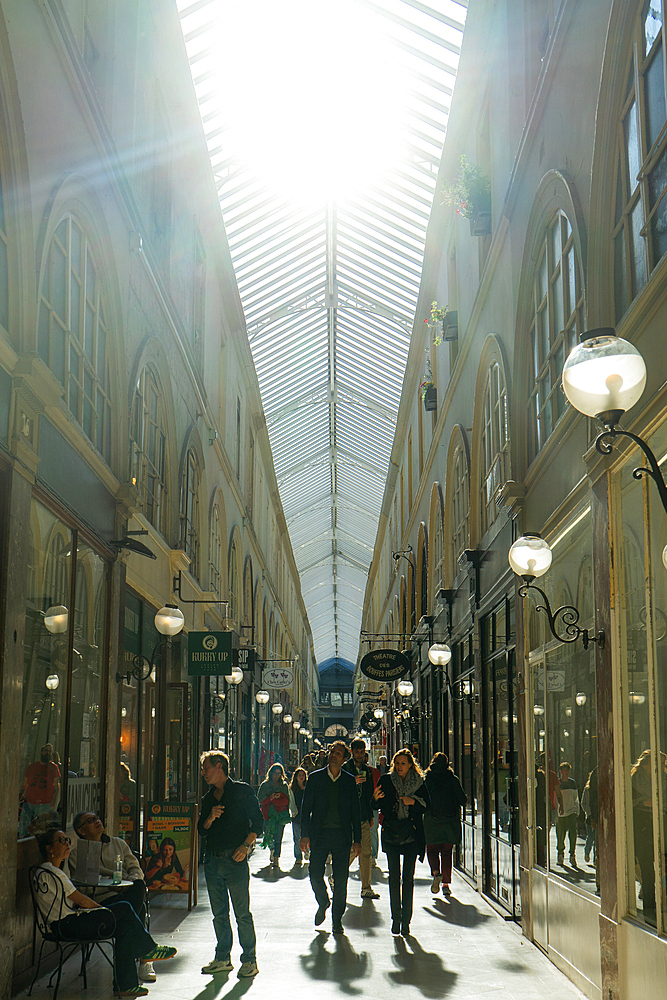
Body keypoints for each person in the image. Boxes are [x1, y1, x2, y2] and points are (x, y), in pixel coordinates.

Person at [36, 826, 176, 998]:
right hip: (66, 925)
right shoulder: (52, 872)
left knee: (124, 926)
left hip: (69, 921)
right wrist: (106, 912)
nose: (67, 843)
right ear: (49, 849)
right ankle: (148, 949)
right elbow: (83, 901)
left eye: (67, 840)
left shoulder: (54, 870)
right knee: (124, 909)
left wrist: (108, 913)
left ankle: (125, 985)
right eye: (61, 840)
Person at [198, 750, 262, 978]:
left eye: (206, 768)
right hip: (212, 861)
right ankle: (223, 957)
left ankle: (249, 959)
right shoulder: (208, 798)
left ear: (219, 767)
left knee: (242, 912)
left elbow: (258, 823)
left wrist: (245, 846)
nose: (203, 773)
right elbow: (201, 830)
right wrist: (210, 817)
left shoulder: (242, 791)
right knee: (219, 913)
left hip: (235, 860)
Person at [69, 811, 153, 982]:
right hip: (99, 902)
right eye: (91, 821)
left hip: (125, 894)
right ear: (81, 831)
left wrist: (133, 878)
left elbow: (135, 868)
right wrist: (120, 876)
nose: (97, 822)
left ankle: (142, 951)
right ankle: (145, 955)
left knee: (138, 888)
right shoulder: (77, 854)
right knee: (137, 909)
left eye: (97, 818)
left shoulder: (118, 843)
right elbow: (86, 880)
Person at [299, 740, 361, 934]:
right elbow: (305, 808)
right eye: (332, 752)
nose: (334, 755)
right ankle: (323, 900)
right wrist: (304, 835)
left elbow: (355, 812)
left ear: (344, 759)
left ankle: (336, 920)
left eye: (338, 753)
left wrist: (357, 840)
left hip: (342, 836)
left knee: (341, 879)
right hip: (320, 834)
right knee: (315, 873)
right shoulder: (315, 778)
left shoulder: (349, 780)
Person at [372, 747, 429, 937]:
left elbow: (427, 805)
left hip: (412, 834)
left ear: (411, 765)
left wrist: (413, 803)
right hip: (392, 833)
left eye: (403, 763)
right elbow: (376, 805)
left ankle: (407, 920)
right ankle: (396, 918)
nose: (399, 767)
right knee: (394, 878)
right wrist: (375, 799)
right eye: (396, 763)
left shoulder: (419, 782)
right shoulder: (386, 780)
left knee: (408, 879)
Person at [423, 752, 466, 897]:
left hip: (431, 821)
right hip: (449, 822)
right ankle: (446, 884)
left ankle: (436, 873)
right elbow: (462, 799)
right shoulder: (452, 779)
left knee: (432, 849)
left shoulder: (427, 778)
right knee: (446, 853)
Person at [342, 738, 380, 898]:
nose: (359, 754)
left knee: (366, 851)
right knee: (351, 849)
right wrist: (353, 782)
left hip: (363, 815)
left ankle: (366, 887)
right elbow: (340, 792)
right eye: (356, 751)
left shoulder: (367, 770)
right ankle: (338, 876)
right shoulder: (345, 769)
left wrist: (371, 815)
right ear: (352, 752)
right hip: (348, 817)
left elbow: (368, 794)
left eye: (361, 751)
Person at [19, 744, 61, 836]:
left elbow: (56, 786)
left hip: (45, 802)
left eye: (50, 751)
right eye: (46, 751)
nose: (48, 753)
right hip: (29, 801)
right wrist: (20, 797)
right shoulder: (32, 767)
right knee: (24, 828)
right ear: (41, 752)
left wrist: (54, 801)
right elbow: (25, 784)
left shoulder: (53, 767)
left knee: (41, 829)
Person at [258, 763, 291, 868]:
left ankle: (276, 857)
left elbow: (286, 801)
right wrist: (270, 798)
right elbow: (260, 800)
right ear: (271, 773)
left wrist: (279, 797)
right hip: (268, 815)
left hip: (280, 815)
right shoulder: (265, 785)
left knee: (278, 837)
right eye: (275, 773)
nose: (277, 776)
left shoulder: (284, 786)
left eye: (279, 773)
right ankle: (272, 850)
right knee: (268, 835)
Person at [556, 762, 579, 867]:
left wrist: (576, 810)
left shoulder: (572, 783)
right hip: (560, 814)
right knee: (560, 835)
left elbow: (576, 797)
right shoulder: (558, 783)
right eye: (564, 771)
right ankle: (560, 854)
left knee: (573, 834)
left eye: (568, 771)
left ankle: (572, 854)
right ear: (560, 772)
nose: (566, 773)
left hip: (571, 812)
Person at [288, 767, 308, 865]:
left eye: (303, 775)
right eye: (299, 775)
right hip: (296, 815)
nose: (301, 777)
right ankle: (298, 857)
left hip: (307, 815)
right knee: (297, 838)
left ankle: (307, 852)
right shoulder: (292, 789)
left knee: (308, 835)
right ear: (295, 777)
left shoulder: (308, 787)